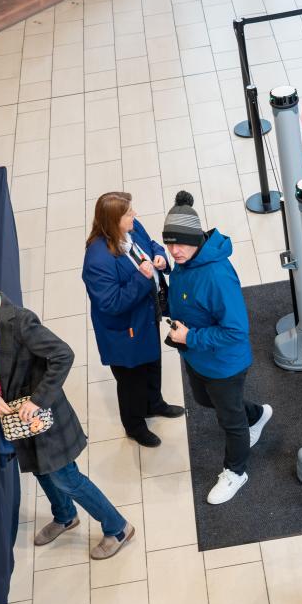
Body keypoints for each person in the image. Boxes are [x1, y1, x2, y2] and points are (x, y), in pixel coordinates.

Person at [0, 285, 135, 559]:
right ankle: (65, 516)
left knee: (68, 479)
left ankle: (117, 528)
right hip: (19, 420)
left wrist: (37, 401)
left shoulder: (19, 322)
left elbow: (63, 355)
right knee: (40, 469)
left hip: (43, 416)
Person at [162, 191, 273, 505]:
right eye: (170, 244)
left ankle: (236, 471)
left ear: (196, 239)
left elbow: (236, 332)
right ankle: (257, 415)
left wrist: (191, 337)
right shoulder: (187, 261)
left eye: (179, 243)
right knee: (203, 398)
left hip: (224, 364)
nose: (174, 251)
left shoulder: (216, 276)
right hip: (197, 358)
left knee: (230, 421)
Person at [82, 192, 184, 448]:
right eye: (128, 213)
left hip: (146, 319)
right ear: (114, 220)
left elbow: (150, 244)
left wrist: (159, 256)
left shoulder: (133, 228)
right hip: (124, 334)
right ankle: (135, 425)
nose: (134, 215)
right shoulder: (97, 261)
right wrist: (142, 277)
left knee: (152, 364)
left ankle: (154, 404)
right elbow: (111, 303)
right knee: (131, 383)